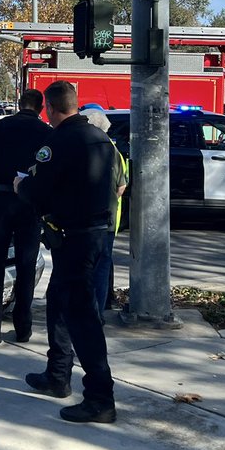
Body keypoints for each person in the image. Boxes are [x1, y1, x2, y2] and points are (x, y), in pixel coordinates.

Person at [16, 80, 117, 424]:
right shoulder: (101, 138)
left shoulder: (60, 140)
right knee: (60, 304)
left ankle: (100, 398)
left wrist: (21, 185)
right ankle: (58, 375)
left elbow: (38, 191)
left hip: (75, 239)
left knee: (82, 318)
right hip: (98, 235)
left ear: (51, 109)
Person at [0, 88, 52, 345]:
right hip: (30, 205)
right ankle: (23, 327)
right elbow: (51, 173)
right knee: (26, 266)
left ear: (19, 104)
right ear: (40, 108)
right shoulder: (47, 133)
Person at [78, 107, 127, 322]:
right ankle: (97, 313)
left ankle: (85, 311)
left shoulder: (82, 149)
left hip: (85, 221)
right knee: (101, 266)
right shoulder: (113, 151)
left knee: (83, 268)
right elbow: (121, 186)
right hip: (108, 220)